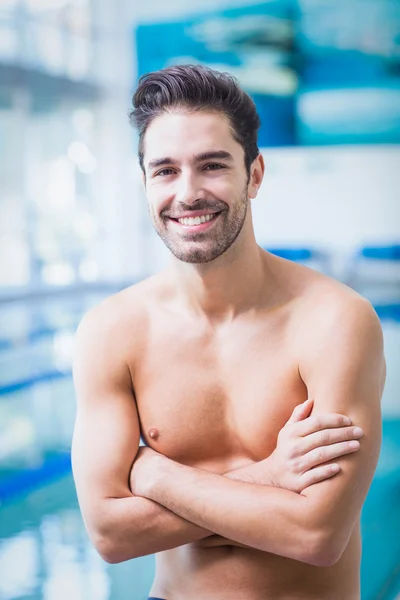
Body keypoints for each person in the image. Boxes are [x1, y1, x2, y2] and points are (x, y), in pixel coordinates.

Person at [71, 65, 386, 600]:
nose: (188, 193)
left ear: (254, 174)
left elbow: (316, 533)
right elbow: (109, 533)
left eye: (212, 165)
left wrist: (156, 477)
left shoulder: (334, 321)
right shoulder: (113, 332)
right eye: (165, 170)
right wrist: (270, 478)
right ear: (145, 183)